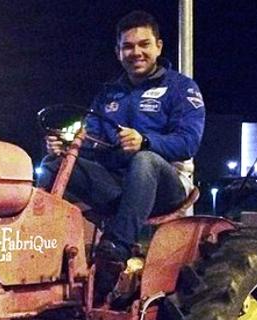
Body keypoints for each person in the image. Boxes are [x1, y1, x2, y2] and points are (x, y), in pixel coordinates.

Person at [38, 10, 205, 272]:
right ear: (118, 52)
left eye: (144, 44)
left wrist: (145, 141)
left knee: (144, 160)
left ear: (159, 46)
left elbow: (188, 143)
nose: (136, 52)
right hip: (118, 185)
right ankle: (41, 245)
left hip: (167, 186)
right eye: (128, 46)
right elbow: (91, 143)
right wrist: (67, 148)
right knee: (52, 165)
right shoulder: (108, 94)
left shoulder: (181, 88)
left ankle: (117, 249)